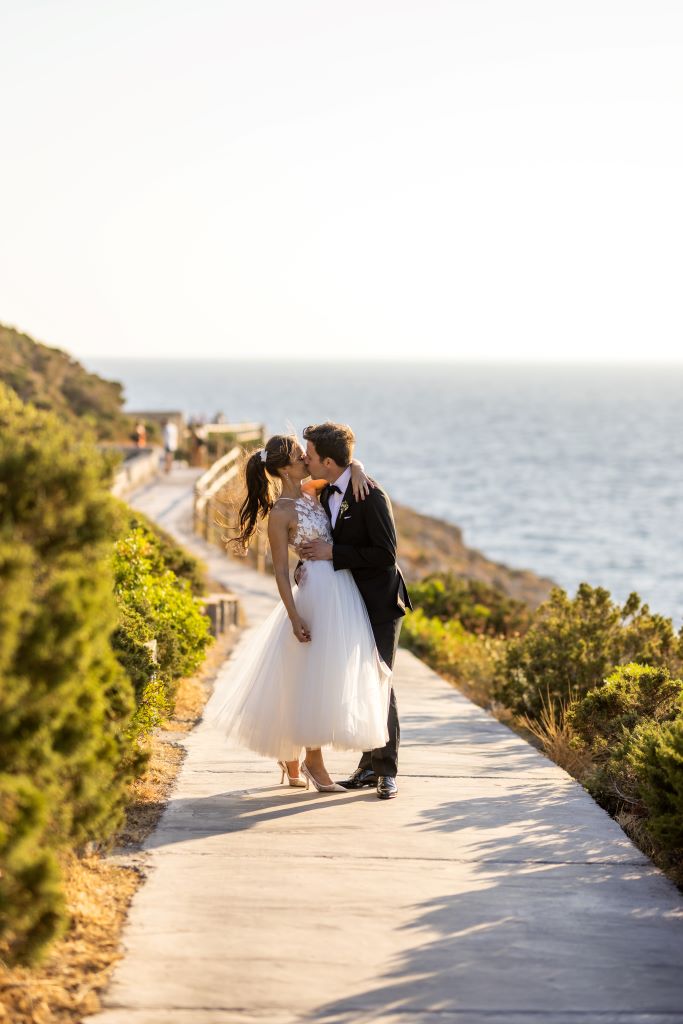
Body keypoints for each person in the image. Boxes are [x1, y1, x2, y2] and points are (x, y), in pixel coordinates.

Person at [203, 434, 392, 793]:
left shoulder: (314, 489)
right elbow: (277, 571)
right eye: (298, 454)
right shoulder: (281, 512)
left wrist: (358, 468)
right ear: (286, 467)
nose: (307, 456)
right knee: (308, 678)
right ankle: (313, 764)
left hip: (340, 590)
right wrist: (293, 617)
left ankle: (292, 760)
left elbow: (343, 466)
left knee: (318, 676)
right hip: (312, 596)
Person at [299, 422, 412, 800]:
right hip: (348, 602)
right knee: (361, 683)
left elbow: (386, 555)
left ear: (328, 461)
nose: (305, 459)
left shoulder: (371, 496)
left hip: (379, 602)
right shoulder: (330, 486)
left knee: (380, 680)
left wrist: (334, 554)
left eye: (310, 455)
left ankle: (386, 772)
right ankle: (366, 768)